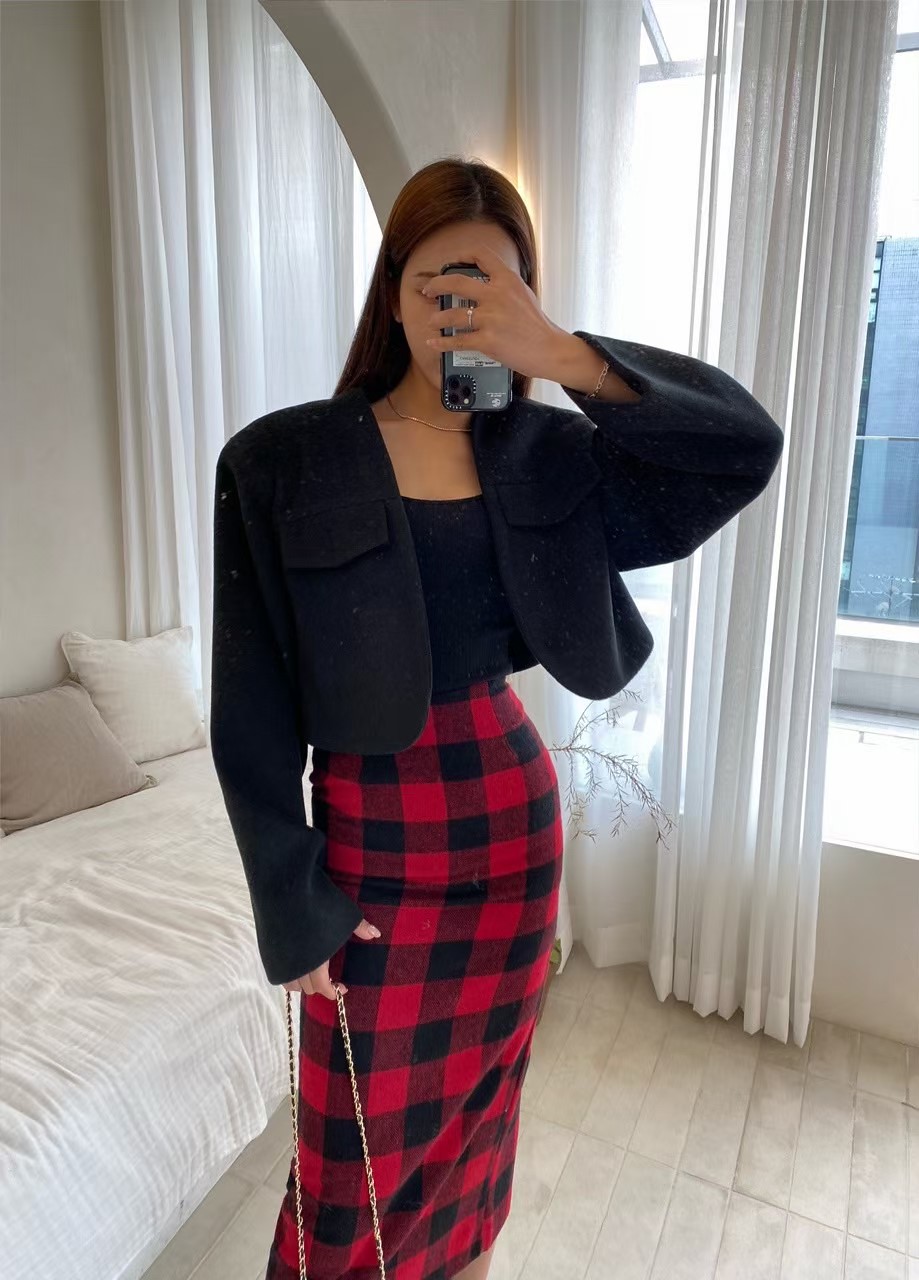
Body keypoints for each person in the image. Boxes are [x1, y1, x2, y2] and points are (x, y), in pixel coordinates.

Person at [209, 157, 784, 1280]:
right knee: (349, 1172)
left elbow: (741, 449)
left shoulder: (547, 454)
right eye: (442, 281)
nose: (464, 305)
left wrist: (561, 356)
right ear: (393, 291)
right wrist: (291, 902)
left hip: (511, 835)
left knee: (477, 1133)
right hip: (371, 852)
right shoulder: (282, 460)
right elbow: (250, 704)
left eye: (494, 285)